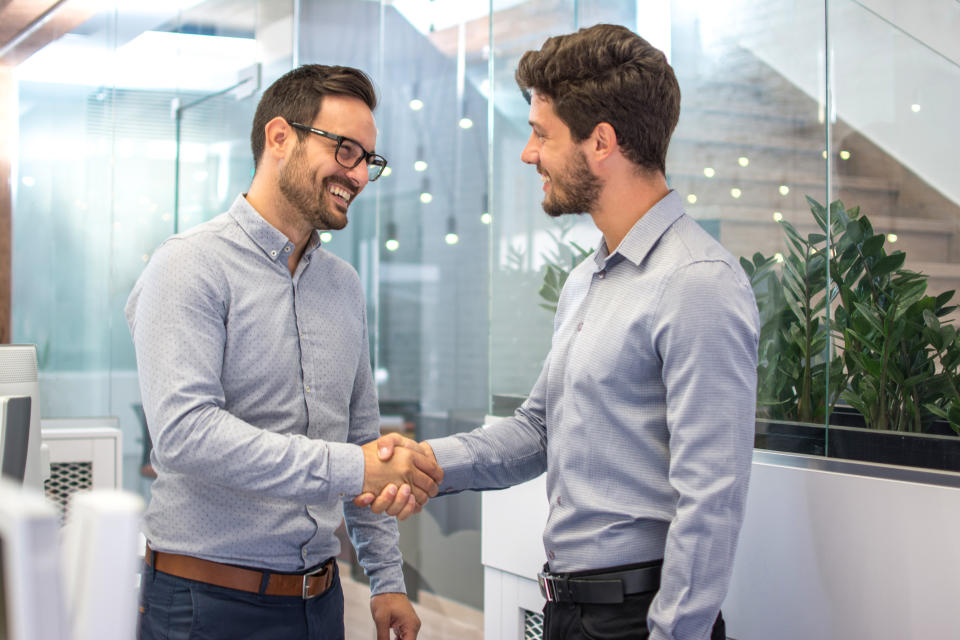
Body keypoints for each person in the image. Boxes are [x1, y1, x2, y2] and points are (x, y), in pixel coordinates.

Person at [362, 24, 759, 640]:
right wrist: (427, 462)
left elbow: (711, 500)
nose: (528, 153)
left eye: (541, 134)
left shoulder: (697, 282)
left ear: (601, 142)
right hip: (570, 612)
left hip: (638, 618)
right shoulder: (587, 279)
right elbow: (538, 430)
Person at [126, 64, 442, 640]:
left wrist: (387, 579)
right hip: (206, 604)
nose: (360, 175)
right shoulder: (189, 266)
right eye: (345, 150)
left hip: (319, 605)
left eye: (368, 159)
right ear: (279, 138)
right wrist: (356, 466)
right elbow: (186, 433)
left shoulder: (342, 285)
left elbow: (362, 437)